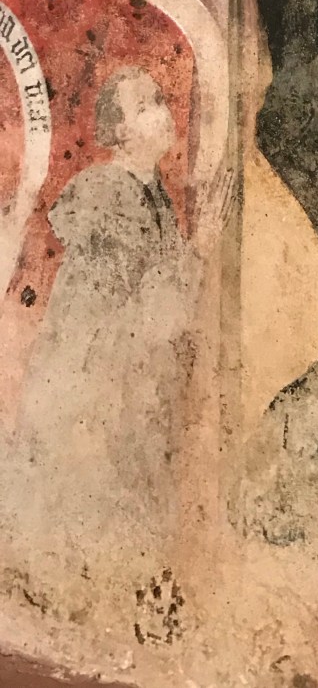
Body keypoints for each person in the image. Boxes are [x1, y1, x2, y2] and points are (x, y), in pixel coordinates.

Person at [9, 68, 216, 605]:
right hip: (90, 400)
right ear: (120, 130)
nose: (164, 113)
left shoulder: (151, 194)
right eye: (147, 105)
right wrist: (199, 254)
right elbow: (138, 319)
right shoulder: (108, 196)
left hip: (124, 396)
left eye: (162, 101)